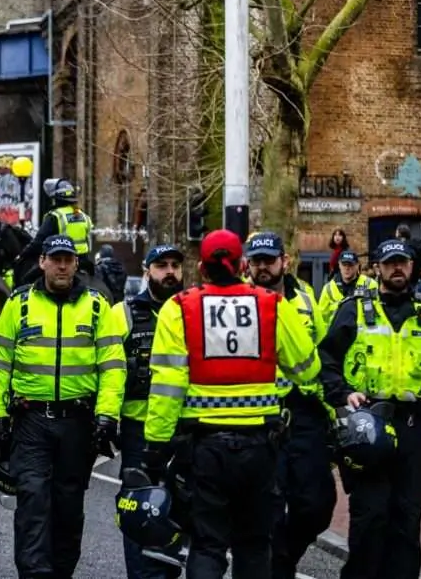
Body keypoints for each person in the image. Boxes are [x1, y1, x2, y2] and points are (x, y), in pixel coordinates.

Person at [142, 229, 320, 579]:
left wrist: (156, 447)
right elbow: (308, 369)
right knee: (254, 543)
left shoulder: (178, 309)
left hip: (205, 449)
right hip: (261, 446)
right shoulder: (272, 304)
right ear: (242, 264)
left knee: (208, 544)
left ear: (200, 267)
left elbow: (167, 387)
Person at [0, 234, 126, 579]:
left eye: (68, 259)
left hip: (77, 422)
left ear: (76, 264)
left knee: (68, 504)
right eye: (55, 259)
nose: (62, 265)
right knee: (32, 499)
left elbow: (112, 365)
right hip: (30, 420)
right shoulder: (19, 305)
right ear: (42, 262)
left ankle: (60, 571)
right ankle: (34, 573)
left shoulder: (96, 306)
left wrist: (107, 414)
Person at [317, 238, 421, 579]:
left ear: (413, 267)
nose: (396, 269)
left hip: (412, 428)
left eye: (402, 263)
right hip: (368, 429)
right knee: (369, 520)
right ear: (377, 267)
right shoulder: (354, 309)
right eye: (389, 263)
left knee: (406, 520)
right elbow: (327, 359)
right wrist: (343, 394)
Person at [242, 232, 335, 579]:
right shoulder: (239, 302)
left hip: (304, 412)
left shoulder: (307, 299)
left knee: (317, 505)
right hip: (258, 413)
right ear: (247, 265)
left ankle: (282, 560)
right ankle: (273, 568)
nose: (263, 267)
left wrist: (334, 407)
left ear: (285, 261)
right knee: (267, 508)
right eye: (257, 261)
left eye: (269, 259)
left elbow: (323, 354)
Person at [109, 244, 184, 579]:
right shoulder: (122, 313)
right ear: (147, 270)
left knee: (176, 509)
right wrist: (106, 418)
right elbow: (109, 371)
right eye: (161, 266)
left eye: (175, 266)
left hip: (184, 427)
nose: (169, 272)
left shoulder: (190, 311)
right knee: (139, 509)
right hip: (138, 428)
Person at [18, 179, 96, 276]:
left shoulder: (55, 216)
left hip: (60, 260)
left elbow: (38, 242)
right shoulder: (83, 215)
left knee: (28, 279)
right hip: (84, 262)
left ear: (55, 199)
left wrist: (22, 255)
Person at [317, 250, 377, 326]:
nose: (347, 268)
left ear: (357, 265)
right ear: (339, 265)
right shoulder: (328, 288)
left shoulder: (370, 284)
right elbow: (321, 318)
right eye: (344, 264)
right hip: (338, 335)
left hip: (363, 335)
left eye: (350, 265)